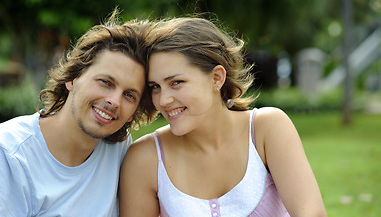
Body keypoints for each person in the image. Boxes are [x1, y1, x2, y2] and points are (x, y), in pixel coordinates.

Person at [119, 17, 327, 217]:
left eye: (176, 83)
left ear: (217, 78)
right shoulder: (145, 158)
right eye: (155, 87)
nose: (163, 100)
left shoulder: (267, 129)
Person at [0, 11, 156, 216]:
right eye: (105, 82)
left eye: (129, 95)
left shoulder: (120, 150)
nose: (114, 101)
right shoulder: (10, 154)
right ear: (72, 79)